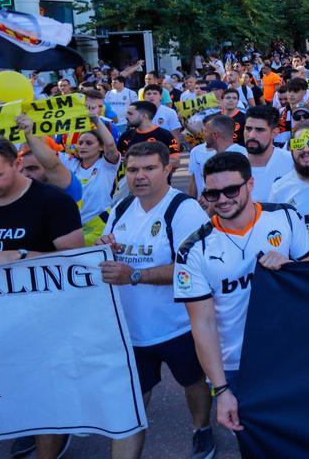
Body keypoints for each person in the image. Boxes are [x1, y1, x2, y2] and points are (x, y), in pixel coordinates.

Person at [175, 151, 309, 434]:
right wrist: (221, 389)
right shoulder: (192, 249)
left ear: (250, 184)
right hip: (238, 365)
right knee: (256, 441)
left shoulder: (285, 217)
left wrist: (291, 267)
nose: (223, 199)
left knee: (304, 434)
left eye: (231, 190)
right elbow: (202, 325)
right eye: (213, 193)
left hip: (292, 351)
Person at [0, 136, 83, 459]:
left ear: (17, 163)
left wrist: (18, 255)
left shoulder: (53, 203)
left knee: (47, 400)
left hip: (45, 325)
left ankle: (51, 444)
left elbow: (80, 263)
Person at [97, 142, 214, 459]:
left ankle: (202, 429)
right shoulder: (121, 208)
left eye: (149, 168)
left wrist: (134, 275)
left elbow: (194, 267)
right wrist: (105, 248)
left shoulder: (184, 209)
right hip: (131, 330)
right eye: (133, 169)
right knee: (132, 404)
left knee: (193, 383)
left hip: (178, 326)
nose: (139, 176)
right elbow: (109, 260)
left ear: (167, 169)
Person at [241, 104, 294, 202]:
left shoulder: (291, 162)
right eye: (248, 129)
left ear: (274, 133)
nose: (251, 135)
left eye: (260, 130)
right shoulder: (232, 164)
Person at [187, 113, 247, 198]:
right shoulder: (212, 157)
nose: (204, 135)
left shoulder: (242, 156)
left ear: (215, 135)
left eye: (206, 131)